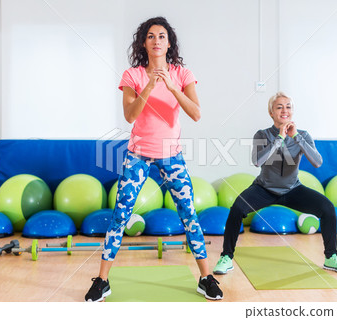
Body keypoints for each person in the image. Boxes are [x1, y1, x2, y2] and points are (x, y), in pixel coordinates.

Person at [84, 17, 223, 302]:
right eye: (151, 36)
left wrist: (172, 87)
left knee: (189, 214)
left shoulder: (182, 74)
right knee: (120, 215)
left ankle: (206, 277)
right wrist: (149, 86)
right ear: (144, 43)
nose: (156, 40)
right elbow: (130, 116)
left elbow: (196, 114)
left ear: (169, 43)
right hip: (138, 155)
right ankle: (102, 280)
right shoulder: (132, 75)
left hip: (172, 156)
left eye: (162, 36)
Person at [213, 91, 337, 275]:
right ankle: (226, 257)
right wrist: (279, 138)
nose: (284, 110)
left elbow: (317, 162)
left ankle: (331, 257)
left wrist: (295, 137)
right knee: (237, 209)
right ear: (271, 112)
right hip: (264, 188)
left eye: (288, 107)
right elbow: (257, 161)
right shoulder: (262, 134)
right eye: (279, 107)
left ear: (292, 111)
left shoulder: (302, 135)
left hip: (293, 189)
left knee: (327, 208)